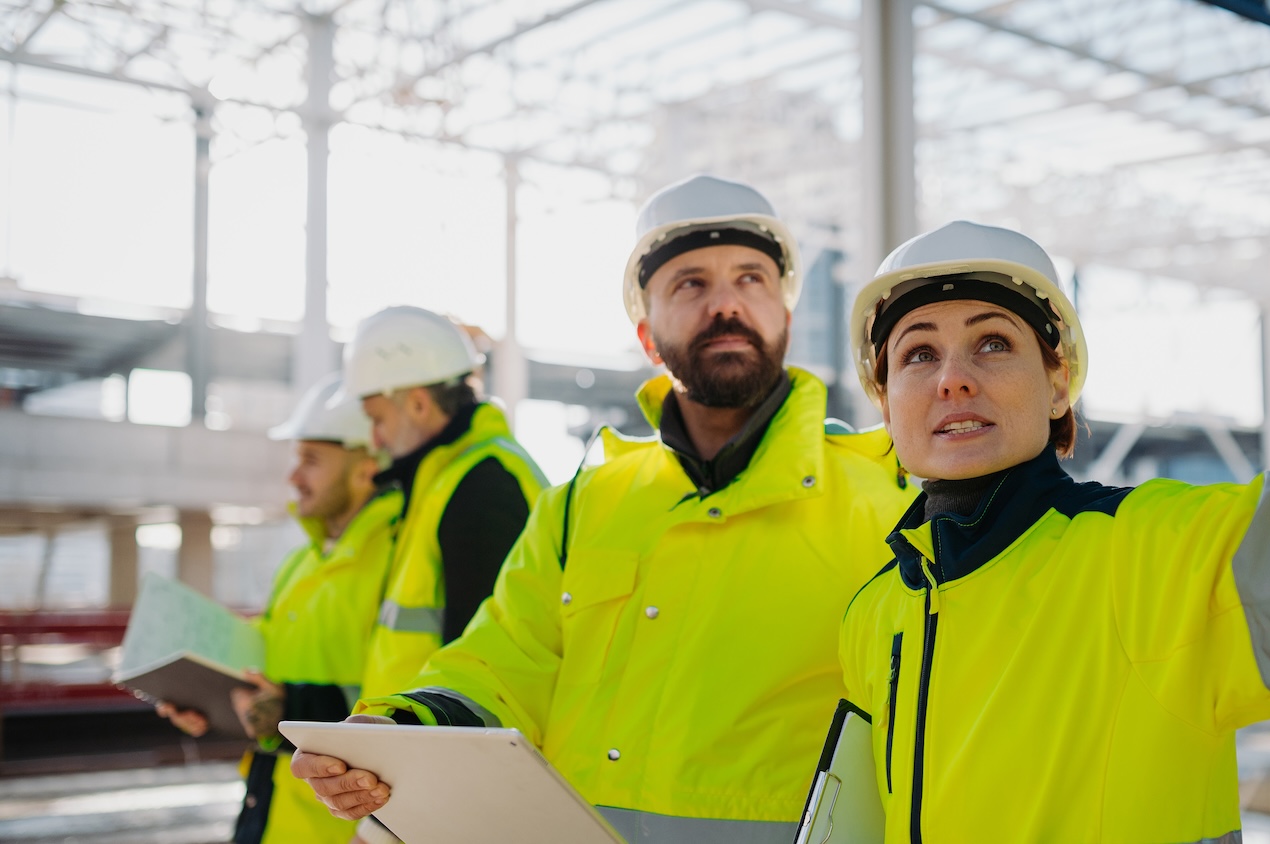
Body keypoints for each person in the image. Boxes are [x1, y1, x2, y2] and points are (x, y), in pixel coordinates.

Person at [833, 1, 1270, 840]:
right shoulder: (874, 612)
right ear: (885, 402)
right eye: (918, 355)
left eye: (993, 344)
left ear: (1058, 382)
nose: (953, 380)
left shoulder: (1153, 562)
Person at [291, 175, 916, 843]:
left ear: (785, 322)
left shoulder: (887, 501)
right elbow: (503, 659)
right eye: (690, 285)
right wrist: (398, 729)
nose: (726, 305)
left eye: (752, 279)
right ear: (648, 338)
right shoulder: (582, 503)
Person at [158, 373, 402, 844]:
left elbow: (405, 708)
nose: (294, 477)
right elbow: (264, 679)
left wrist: (285, 712)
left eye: (311, 460)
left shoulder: (401, 559)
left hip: (337, 827)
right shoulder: (300, 564)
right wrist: (208, 699)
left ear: (365, 467)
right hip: (266, 808)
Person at [337, 305, 550, 701]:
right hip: (412, 747)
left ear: (419, 404)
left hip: (438, 754)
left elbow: (486, 676)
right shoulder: (444, 478)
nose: (376, 440)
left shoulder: (483, 484)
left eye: (378, 420)